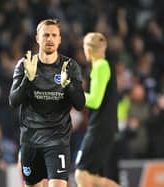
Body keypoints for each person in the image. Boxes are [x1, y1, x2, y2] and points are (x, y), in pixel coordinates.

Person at [9, 19, 85, 187]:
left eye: (53, 35)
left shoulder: (69, 67)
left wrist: (69, 85)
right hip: (31, 141)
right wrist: (28, 80)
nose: (50, 39)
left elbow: (80, 104)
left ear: (59, 39)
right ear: (37, 38)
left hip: (58, 141)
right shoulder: (25, 65)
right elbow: (13, 101)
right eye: (45, 35)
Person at [74, 32, 120, 187]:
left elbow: (94, 101)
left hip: (100, 127)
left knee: (81, 174)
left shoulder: (100, 66)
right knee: (92, 177)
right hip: (103, 126)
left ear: (87, 49)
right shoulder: (102, 66)